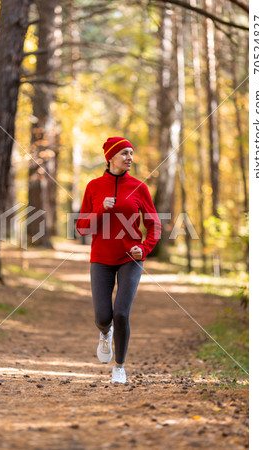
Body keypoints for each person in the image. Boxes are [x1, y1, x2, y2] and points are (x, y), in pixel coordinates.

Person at [76, 137, 162, 384]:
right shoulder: (93, 187)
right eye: (124, 153)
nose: (130, 158)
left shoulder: (139, 187)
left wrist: (143, 249)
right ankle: (105, 333)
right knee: (104, 316)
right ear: (110, 157)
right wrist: (101, 209)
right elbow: (82, 227)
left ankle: (119, 367)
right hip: (101, 258)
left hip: (130, 259)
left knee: (122, 313)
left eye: (131, 154)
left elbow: (153, 223)